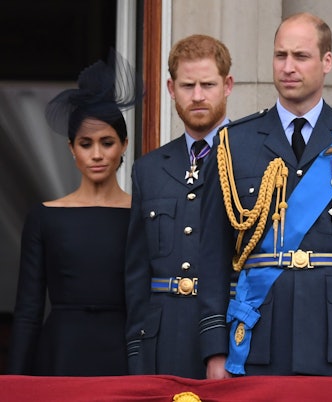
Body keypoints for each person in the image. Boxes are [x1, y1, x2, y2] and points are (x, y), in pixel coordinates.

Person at [198, 12, 332, 378]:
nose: (288, 67)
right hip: (256, 340)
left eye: (300, 56)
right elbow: (212, 255)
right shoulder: (233, 144)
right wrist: (214, 348)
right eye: (280, 55)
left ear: (327, 62)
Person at [7, 49, 142, 376]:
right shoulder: (44, 217)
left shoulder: (142, 216)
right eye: (86, 143)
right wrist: (12, 382)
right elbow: (27, 311)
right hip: (60, 356)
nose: (97, 154)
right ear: (71, 148)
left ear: (124, 145)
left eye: (107, 142)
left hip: (124, 356)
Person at [125, 34, 234, 379]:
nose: (198, 96)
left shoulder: (255, 159)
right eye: (188, 85)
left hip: (233, 337)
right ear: (171, 89)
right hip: (163, 341)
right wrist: (137, 352)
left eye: (207, 84)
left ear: (227, 85)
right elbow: (137, 273)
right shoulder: (149, 168)